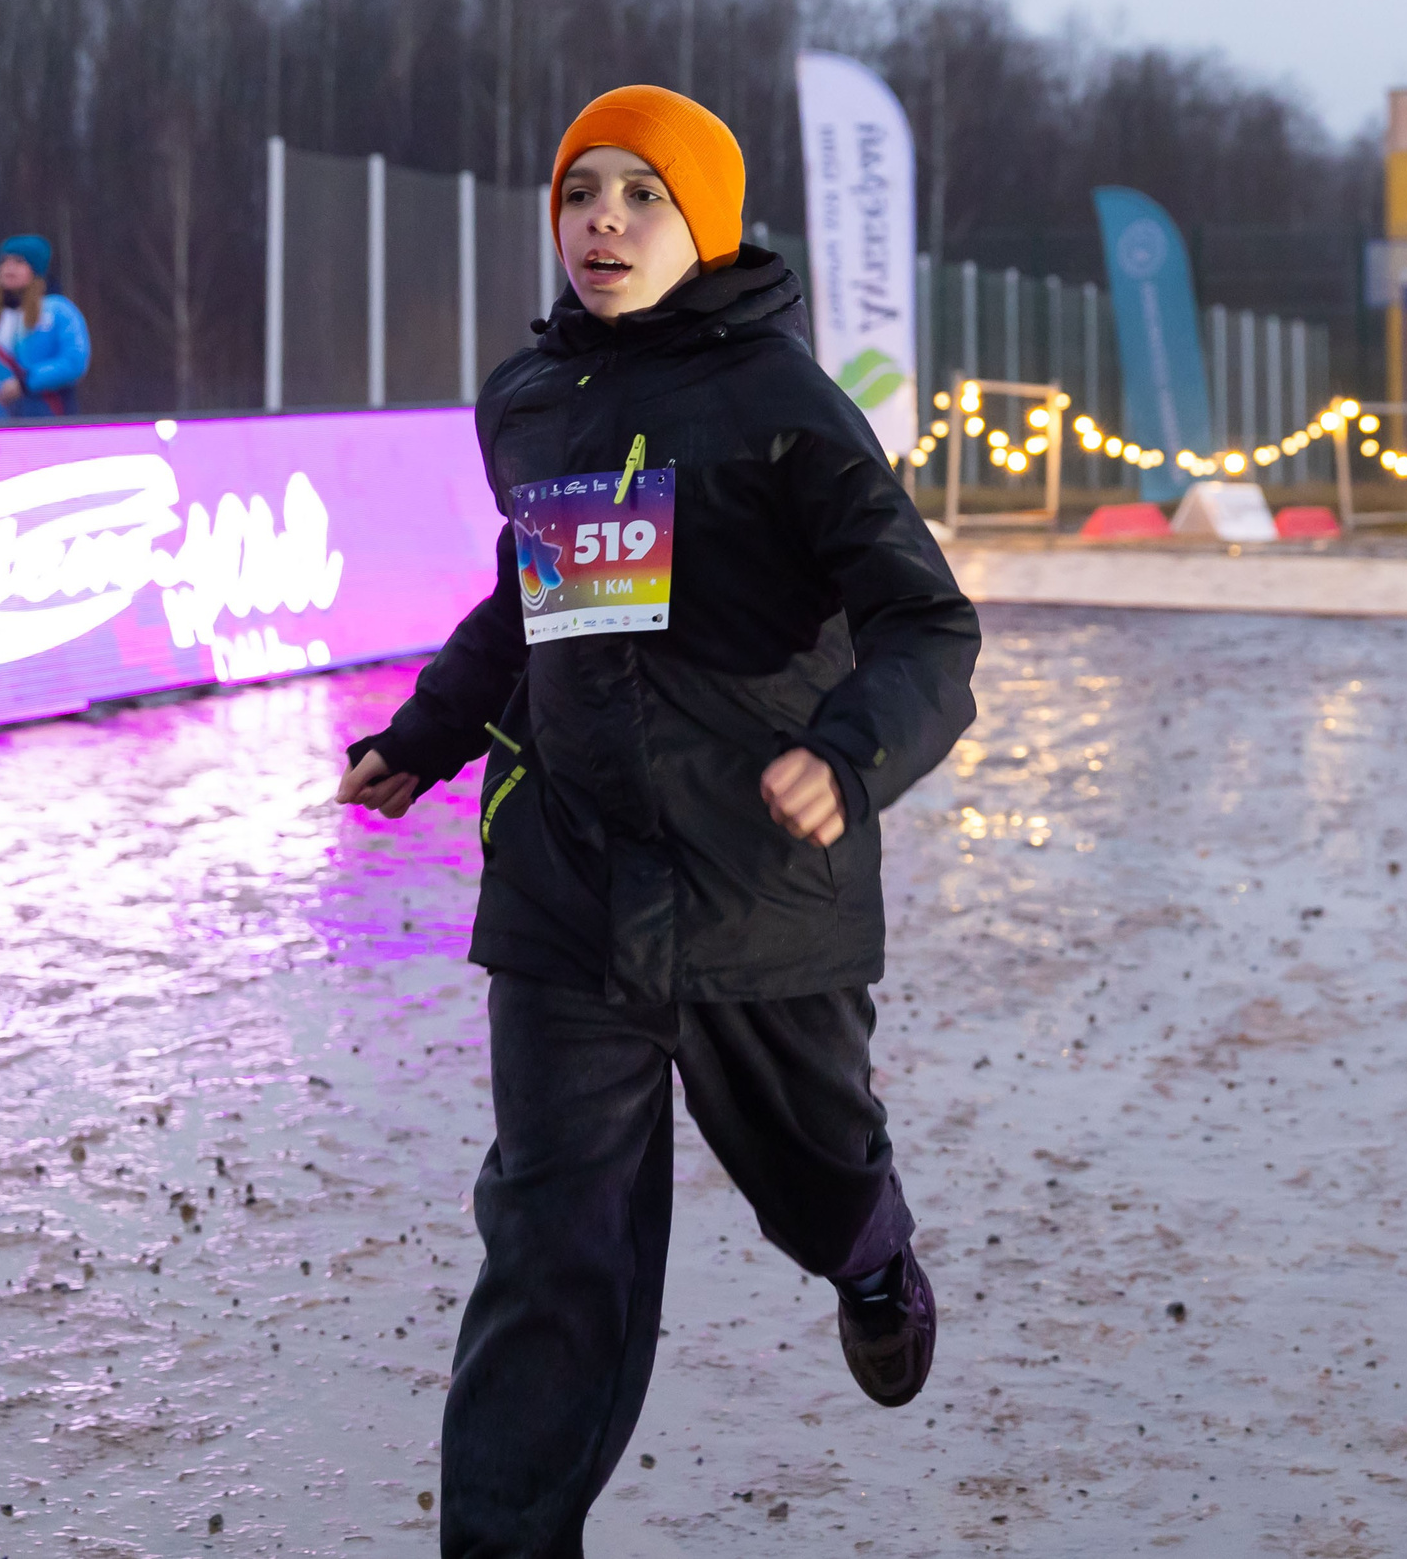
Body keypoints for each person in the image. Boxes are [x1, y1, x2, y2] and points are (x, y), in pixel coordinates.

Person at [335, 85, 979, 1554]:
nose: (603, 223)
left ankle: (875, 1266)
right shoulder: (532, 396)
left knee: (815, 1172)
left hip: (757, 882)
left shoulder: (782, 411)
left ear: (705, 225)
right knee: (552, 1248)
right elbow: (534, 600)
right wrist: (427, 738)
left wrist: (849, 753)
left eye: (641, 196)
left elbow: (927, 629)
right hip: (567, 883)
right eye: (581, 194)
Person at [0, 233, 90, 418]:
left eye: (18, 261)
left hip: (53, 426)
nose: (8, 267)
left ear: (35, 269)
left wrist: (26, 382)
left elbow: (74, 362)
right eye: (4, 261)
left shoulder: (59, 311)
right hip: (3, 430)